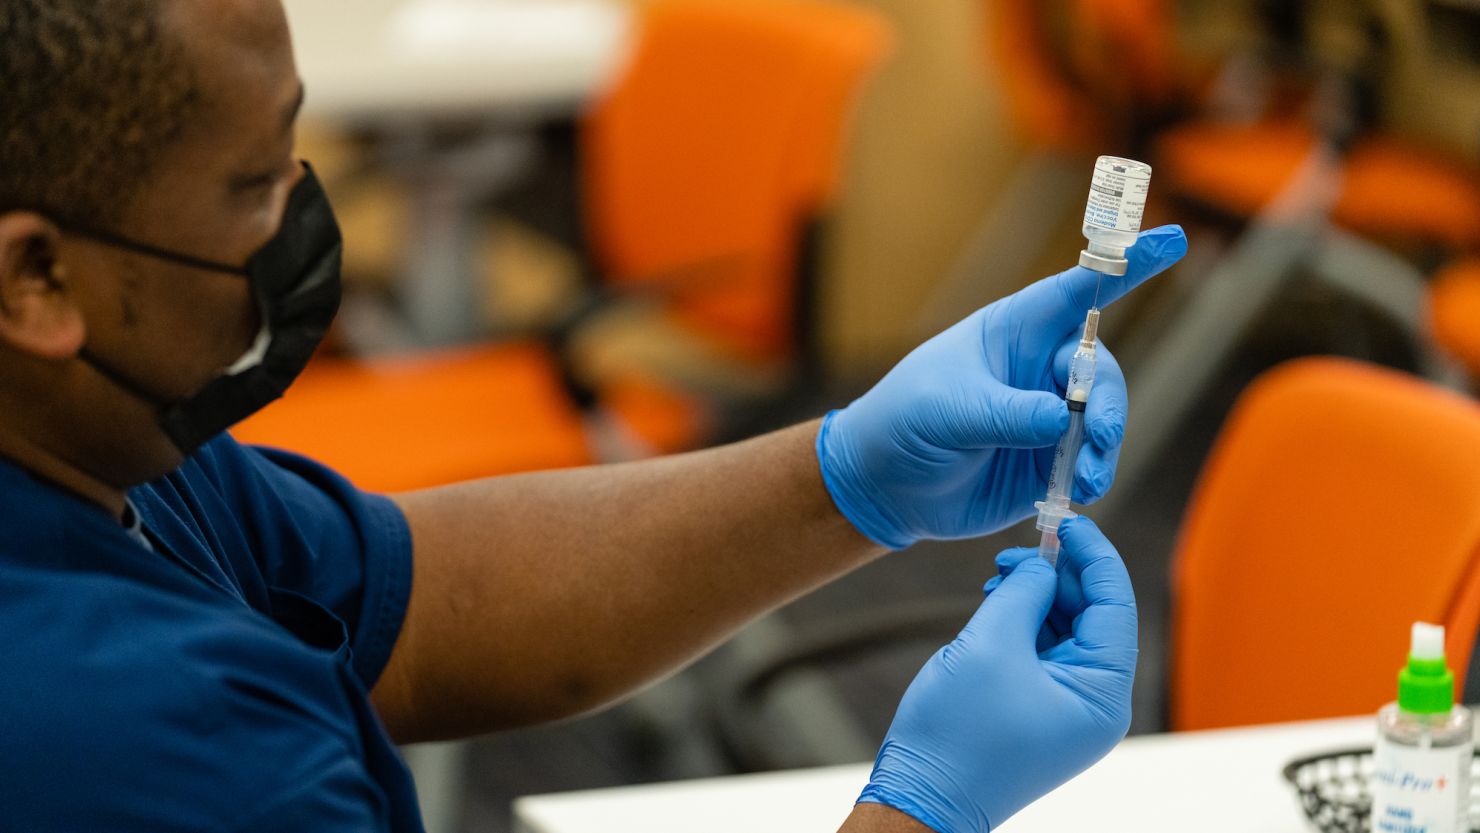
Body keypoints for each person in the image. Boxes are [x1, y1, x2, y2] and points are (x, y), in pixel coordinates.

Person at [0, 1, 1188, 831]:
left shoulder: (99, 445)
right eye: (254, 187)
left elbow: (408, 605)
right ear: (38, 279)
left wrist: (846, 477)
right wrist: (929, 804)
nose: (302, 219)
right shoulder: (169, 747)